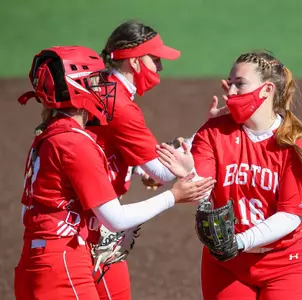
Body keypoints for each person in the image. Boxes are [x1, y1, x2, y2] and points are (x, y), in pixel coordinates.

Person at [14, 45, 215, 300]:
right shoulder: (75, 143)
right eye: (96, 81)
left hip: (34, 261)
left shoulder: (47, 136)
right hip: (63, 266)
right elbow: (116, 219)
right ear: (76, 87)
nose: (103, 87)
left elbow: (30, 212)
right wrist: (174, 196)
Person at [158, 50, 302, 299]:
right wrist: (188, 173)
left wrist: (239, 241)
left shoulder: (295, 142)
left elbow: (291, 216)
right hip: (226, 265)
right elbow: (199, 193)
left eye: (240, 84)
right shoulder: (214, 132)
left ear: (267, 90)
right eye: (230, 83)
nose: (231, 92)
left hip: (285, 263)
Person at [85, 20, 189, 299]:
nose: (161, 68)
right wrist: (204, 138)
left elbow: (99, 147)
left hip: (87, 208)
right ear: (134, 62)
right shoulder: (121, 104)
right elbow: (164, 174)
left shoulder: (100, 86)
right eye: (155, 60)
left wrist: (130, 168)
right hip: (90, 223)